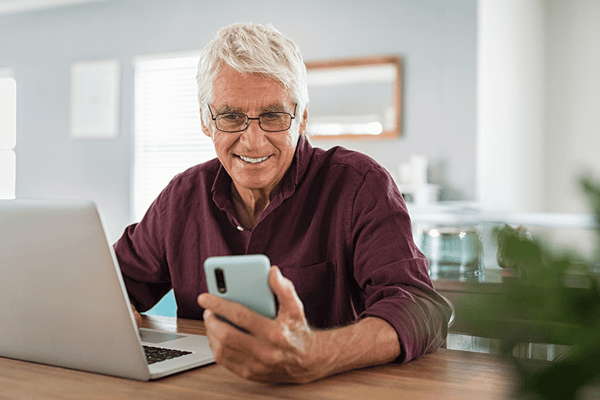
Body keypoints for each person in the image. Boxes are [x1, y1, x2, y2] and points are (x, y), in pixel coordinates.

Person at [115, 22, 451, 383]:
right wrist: (111, 312)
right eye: (231, 117)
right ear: (205, 121)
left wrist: (316, 353)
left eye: (274, 116)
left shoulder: (359, 185)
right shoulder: (181, 197)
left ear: (302, 117)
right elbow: (112, 282)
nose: (254, 142)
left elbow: (421, 308)